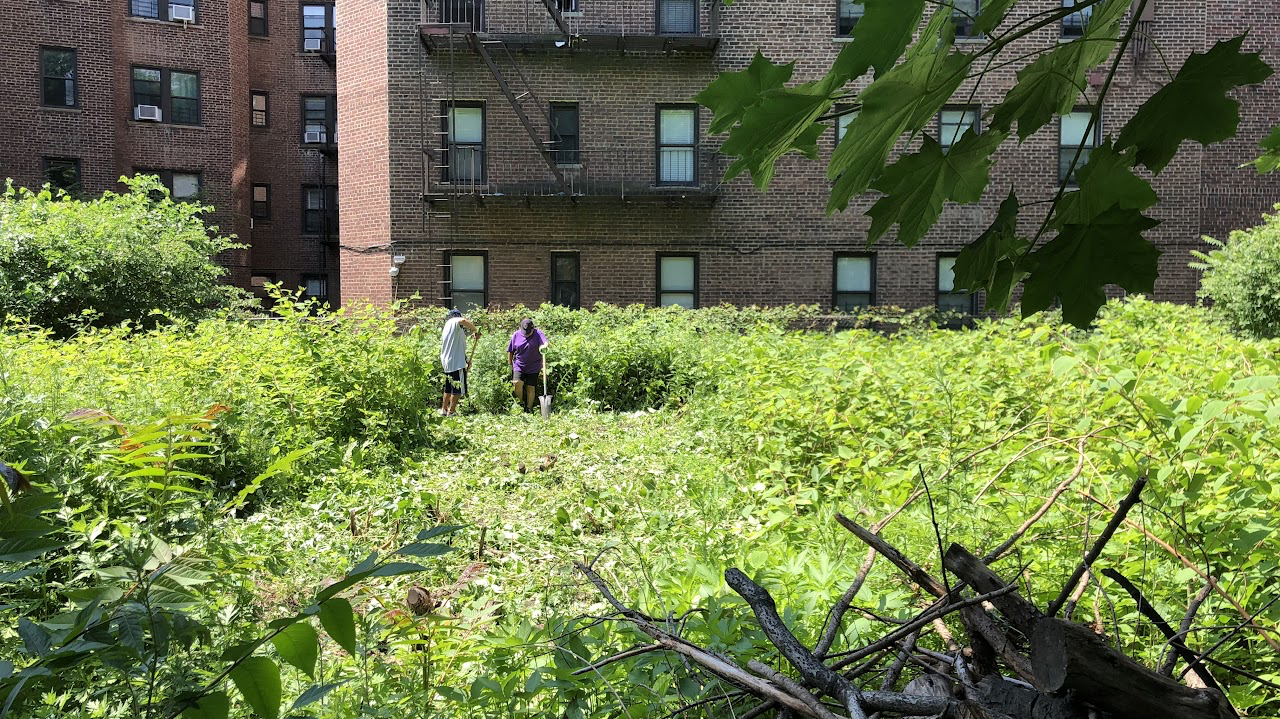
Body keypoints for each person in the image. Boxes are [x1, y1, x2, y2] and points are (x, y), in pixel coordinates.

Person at [440, 309, 479, 416]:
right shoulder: (453, 321)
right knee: (457, 388)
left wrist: (466, 359)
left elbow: (457, 348)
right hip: (456, 363)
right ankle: (451, 412)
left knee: (448, 387)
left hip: (449, 362)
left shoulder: (450, 329)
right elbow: (464, 321)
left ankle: (443, 410)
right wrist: (476, 330)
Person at [507, 318, 549, 412]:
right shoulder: (516, 335)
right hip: (519, 365)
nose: (527, 334)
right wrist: (510, 365)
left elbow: (545, 342)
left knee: (531, 387)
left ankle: (529, 408)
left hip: (534, 366)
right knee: (517, 383)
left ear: (533, 329)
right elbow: (510, 351)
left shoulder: (538, 334)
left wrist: (544, 346)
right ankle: (521, 403)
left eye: (529, 332)